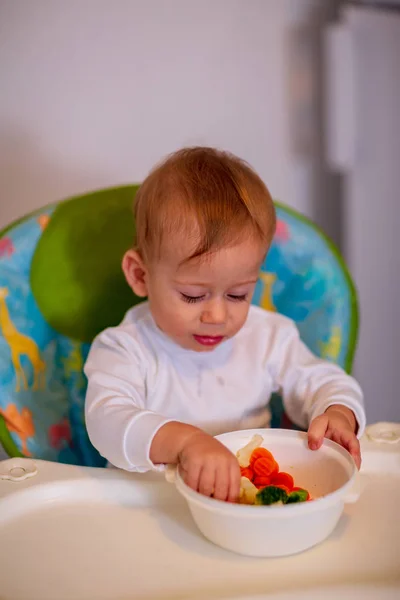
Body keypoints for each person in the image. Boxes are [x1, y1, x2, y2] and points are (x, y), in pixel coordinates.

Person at [84, 147, 365, 503]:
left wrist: (338, 412)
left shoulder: (267, 337)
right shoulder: (125, 348)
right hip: (149, 510)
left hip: (246, 508)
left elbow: (323, 380)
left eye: (237, 295)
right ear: (141, 276)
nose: (217, 316)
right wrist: (185, 442)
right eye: (191, 295)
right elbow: (107, 421)